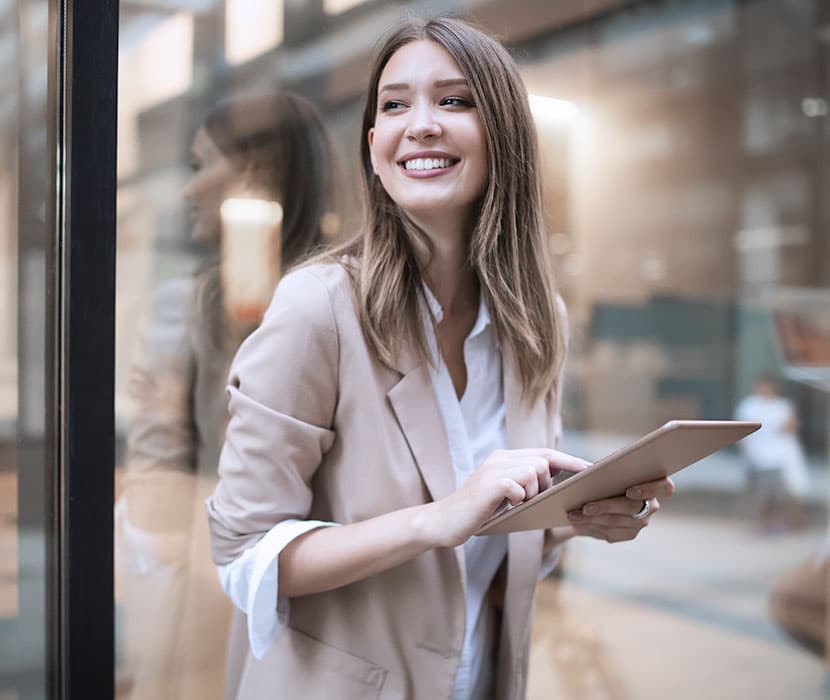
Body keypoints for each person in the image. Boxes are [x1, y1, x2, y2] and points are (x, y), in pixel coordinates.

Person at [205, 18, 674, 700]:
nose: (419, 124)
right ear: (374, 148)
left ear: (504, 137)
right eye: (395, 105)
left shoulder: (537, 323)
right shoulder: (319, 308)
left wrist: (576, 521)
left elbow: (492, 549)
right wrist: (435, 519)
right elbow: (244, 556)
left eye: (453, 101)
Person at [116, 92, 332, 700]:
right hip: (315, 585)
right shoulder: (355, 299)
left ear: (254, 172)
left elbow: (157, 501)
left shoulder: (188, 308)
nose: (189, 190)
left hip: (221, 583)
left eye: (200, 164)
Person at [735, 372, 810, 533]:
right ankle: (761, 522)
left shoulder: (781, 406)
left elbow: (791, 428)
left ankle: (774, 522)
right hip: (757, 457)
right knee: (761, 494)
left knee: (776, 494)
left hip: (777, 457)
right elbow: (741, 432)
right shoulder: (749, 405)